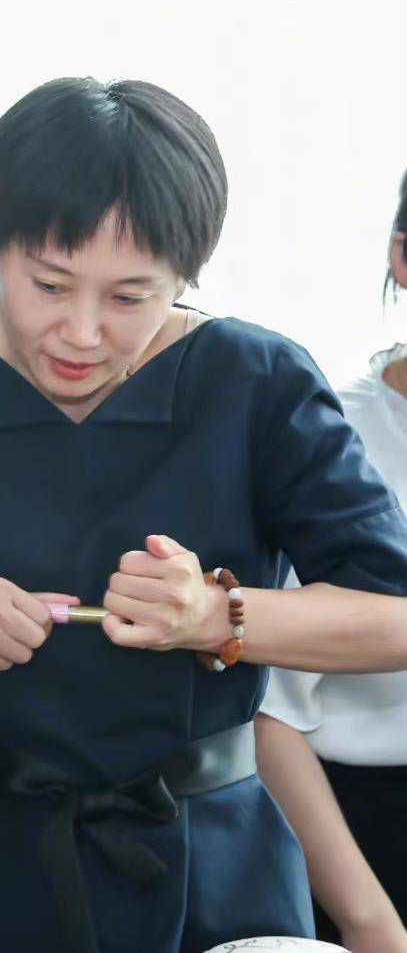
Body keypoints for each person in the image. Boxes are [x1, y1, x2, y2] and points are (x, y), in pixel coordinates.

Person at [0, 78, 407, 953]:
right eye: (48, 285)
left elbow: (391, 617)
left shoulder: (253, 381)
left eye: (129, 297)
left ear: (184, 277)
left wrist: (216, 617)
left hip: (211, 864)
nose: (82, 332)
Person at [257, 169, 407, 953]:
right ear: (402, 258)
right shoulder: (330, 434)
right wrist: (369, 921)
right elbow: (269, 710)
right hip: (352, 839)